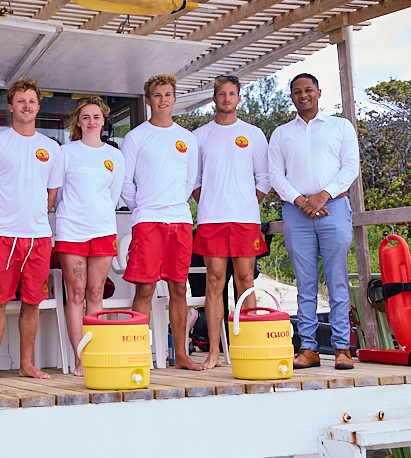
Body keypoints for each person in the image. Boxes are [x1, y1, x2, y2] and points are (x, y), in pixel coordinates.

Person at [268, 73, 359, 370]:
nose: (303, 95)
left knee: (337, 280)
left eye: (308, 90)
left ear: (319, 93)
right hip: (297, 212)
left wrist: (323, 196)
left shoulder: (340, 127)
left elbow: (350, 167)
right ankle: (308, 348)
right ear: (291, 97)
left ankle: (342, 348)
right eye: (297, 91)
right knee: (305, 283)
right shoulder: (281, 133)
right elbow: (275, 174)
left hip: (334, 206)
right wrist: (301, 201)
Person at [0, 78, 63, 381]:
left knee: (32, 302)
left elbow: (51, 193)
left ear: (38, 107)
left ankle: (26, 363)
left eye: (31, 101)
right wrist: (1, 216)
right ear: (11, 106)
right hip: (4, 236)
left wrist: (35, 215)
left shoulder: (51, 147)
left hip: (39, 238)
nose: (26, 106)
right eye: (21, 101)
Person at [120, 74, 201, 371]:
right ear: (148, 100)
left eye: (167, 95)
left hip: (179, 221)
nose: (162, 100)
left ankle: (181, 355)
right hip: (148, 221)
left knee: (179, 288)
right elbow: (124, 181)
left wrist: (172, 203)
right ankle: (137, 355)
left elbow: (190, 180)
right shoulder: (136, 137)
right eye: (157, 95)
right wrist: (143, 206)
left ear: (175, 99)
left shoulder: (187, 138)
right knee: (145, 289)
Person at [191, 75, 271, 369]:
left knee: (245, 280)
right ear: (214, 98)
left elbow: (265, 178)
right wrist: (212, 202)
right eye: (222, 94)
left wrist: (245, 203)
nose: (227, 99)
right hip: (212, 220)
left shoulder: (253, 134)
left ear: (239, 98)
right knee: (214, 282)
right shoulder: (199, 136)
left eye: (232, 94)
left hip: (244, 220)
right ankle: (214, 352)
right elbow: (193, 180)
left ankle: (248, 347)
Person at [54, 97, 125, 377]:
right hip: (71, 230)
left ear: (103, 121)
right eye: (85, 117)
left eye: (96, 117)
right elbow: (58, 193)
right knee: (75, 293)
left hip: (103, 230)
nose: (91, 121)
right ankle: (80, 358)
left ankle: (95, 355)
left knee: (96, 293)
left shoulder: (114, 156)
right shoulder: (66, 152)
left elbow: (113, 195)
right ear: (78, 122)